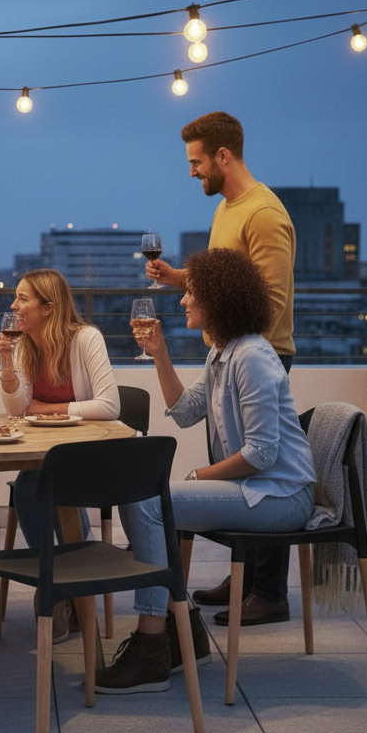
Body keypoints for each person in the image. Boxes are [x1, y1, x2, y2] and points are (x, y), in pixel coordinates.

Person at [95, 248, 315, 694]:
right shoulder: (223, 353)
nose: (183, 301)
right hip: (256, 487)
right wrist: (159, 354)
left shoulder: (252, 355)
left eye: (191, 293)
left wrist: (199, 476)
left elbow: (262, 454)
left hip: (279, 495)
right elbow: (183, 411)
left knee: (147, 501)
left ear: (218, 299)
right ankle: (182, 630)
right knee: (145, 497)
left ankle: (154, 643)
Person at [147, 110, 297, 617]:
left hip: (260, 351)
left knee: (258, 466)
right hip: (225, 351)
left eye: (196, 162)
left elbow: (267, 298)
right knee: (237, 470)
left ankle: (267, 593)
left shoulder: (264, 214)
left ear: (223, 156)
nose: (192, 172)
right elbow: (222, 277)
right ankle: (243, 579)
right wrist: (177, 278)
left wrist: (240, 346)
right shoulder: (227, 209)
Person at [0, 268, 120, 642]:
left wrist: (50, 409)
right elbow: (19, 409)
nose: (14, 305)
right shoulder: (24, 345)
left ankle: (60, 589)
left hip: (90, 455)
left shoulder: (86, 339)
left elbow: (110, 405)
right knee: (28, 485)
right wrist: (5, 363)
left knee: (41, 484)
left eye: (22, 298)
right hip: (45, 456)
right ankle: (62, 585)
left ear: (48, 307)